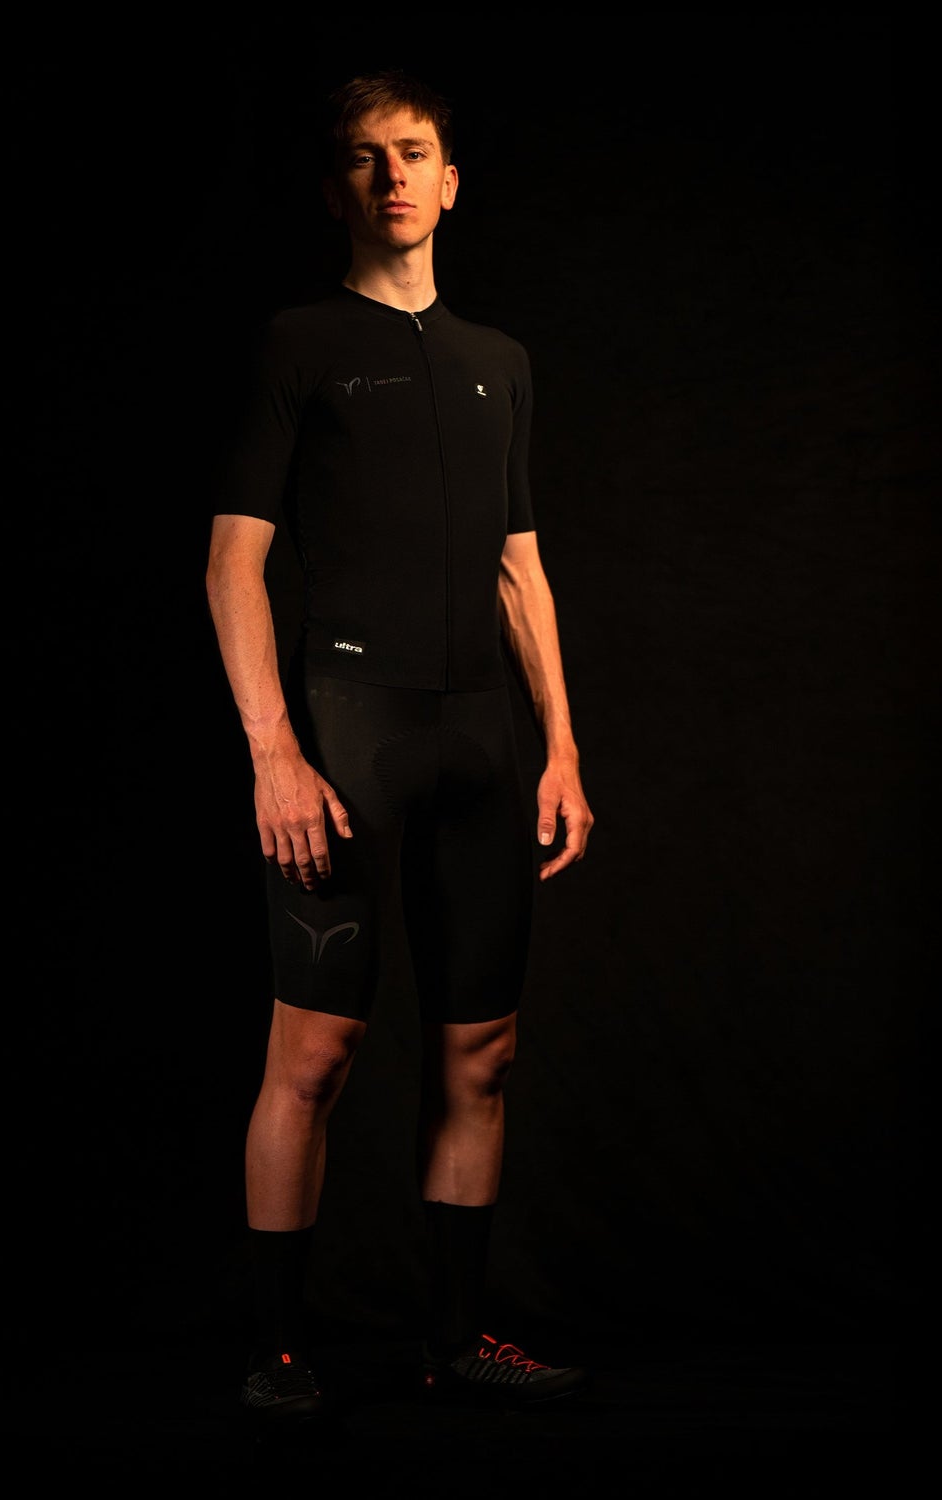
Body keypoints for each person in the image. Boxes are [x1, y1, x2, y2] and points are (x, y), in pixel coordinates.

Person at [205, 68, 594, 1428]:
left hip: (486, 742)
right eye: (367, 158)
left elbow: (520, 570)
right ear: (338, 191)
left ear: (450, 181)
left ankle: (455, 1338)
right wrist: (274, 752)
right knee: (313, 1059)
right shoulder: (298, 344)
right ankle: (279, 1351)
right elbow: (233, 563)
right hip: (349, 740)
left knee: (482, 1056)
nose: (393, 177)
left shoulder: (502, 361)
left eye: (415, 153)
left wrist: (564, 752)